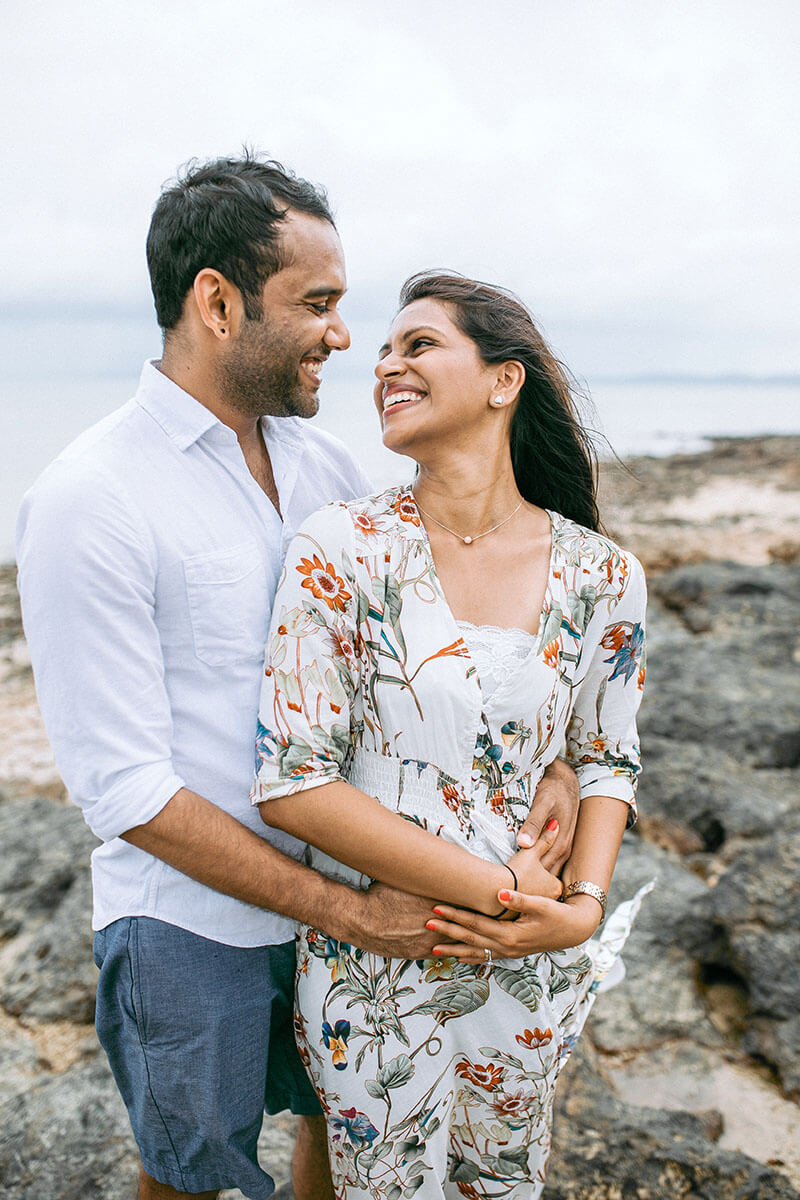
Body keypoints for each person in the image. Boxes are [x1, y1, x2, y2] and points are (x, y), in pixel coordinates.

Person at [16, 157, 580, 1200]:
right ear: (217, 302)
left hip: (357, 888)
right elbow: (123, 787)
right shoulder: (90, 498)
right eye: (316, 303)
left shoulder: (324, 470)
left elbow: (433, 641)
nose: (339, 334)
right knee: (187, 1176)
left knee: (347, 1137)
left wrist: (551, 763)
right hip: (191, 928)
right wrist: (344, 911)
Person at [252, 271, 648, 1199]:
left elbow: (607, 758)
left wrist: (581, 908)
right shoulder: (340, 547)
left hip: (535, 976)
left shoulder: (602, 574)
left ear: (503, 381)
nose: (385, 363)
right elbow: (294, 781)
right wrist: (506, 893)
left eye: (418, 344)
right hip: (375, 973)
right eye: (385, 350)